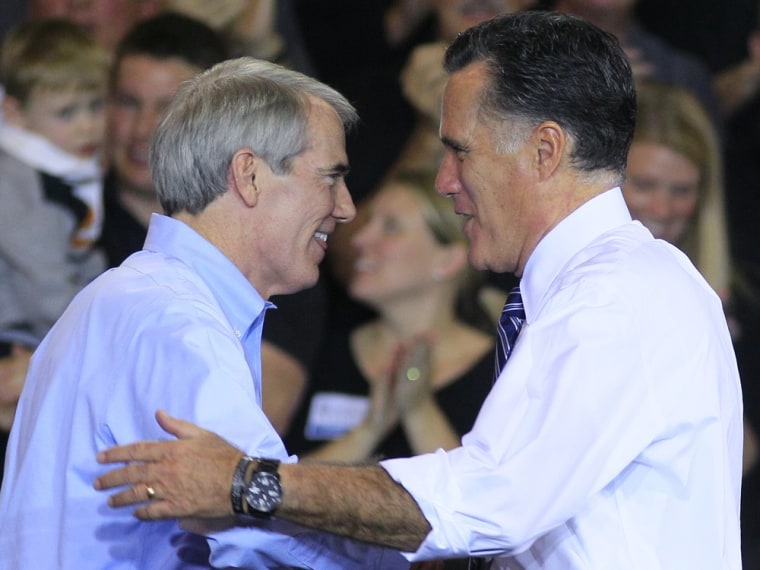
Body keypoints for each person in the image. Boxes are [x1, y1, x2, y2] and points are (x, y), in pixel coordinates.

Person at [93, 12, 743, 568]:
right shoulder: (606, 290)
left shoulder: (616, 298)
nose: (445, 181)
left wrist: (250, 483)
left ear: (545, 150)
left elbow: (489, 502)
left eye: (462, 152)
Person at [0, 56, 409, 569]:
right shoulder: (175, 323)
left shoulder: (134, 299)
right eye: (330, 178)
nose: (346, 206)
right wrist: (403, 548)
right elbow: (261, 529)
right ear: (250, 175)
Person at [100, 11, 326, 436]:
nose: (143, 129)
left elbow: (238, 439)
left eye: (166, 108)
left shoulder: (272, 256)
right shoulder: (56, 222)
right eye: (128, 103)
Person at [622, 81, 760, 568]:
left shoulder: (734, 300)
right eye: (644, 185)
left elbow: (739, 459)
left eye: (680, 191)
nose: (661, 209)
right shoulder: (555, 286)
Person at [286, 169, 495, 462]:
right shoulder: (319, 350)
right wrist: (370, 429)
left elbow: (481, 500)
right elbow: (277, 490)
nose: (359, 239)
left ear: (448, 260)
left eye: (391, 227)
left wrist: (418, 409)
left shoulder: (501, 371)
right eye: (369, 222)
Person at [0, 17, 109, 480]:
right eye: (67, 112)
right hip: (18, 347)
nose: (87, 125)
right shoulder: (16, 180)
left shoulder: (63, 171)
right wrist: (100, 348)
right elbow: (44, 288)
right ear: (14, 113)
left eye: (95, 105)